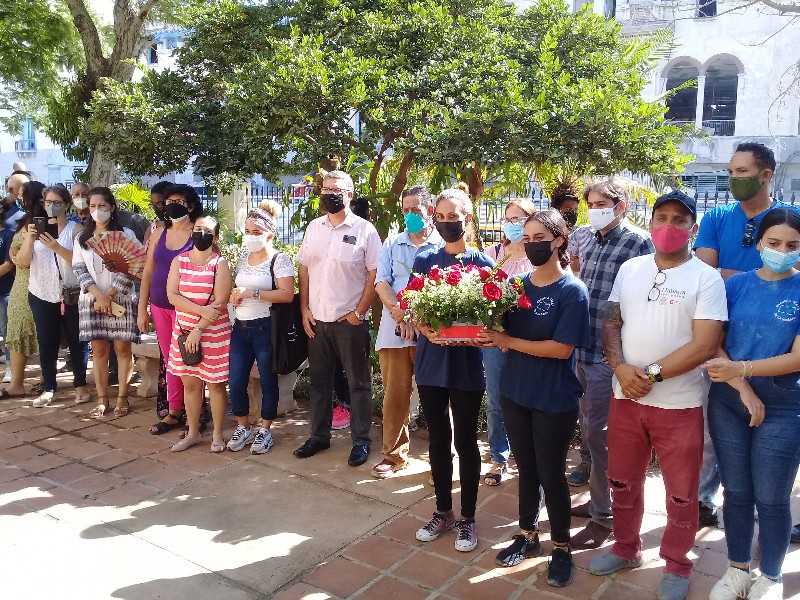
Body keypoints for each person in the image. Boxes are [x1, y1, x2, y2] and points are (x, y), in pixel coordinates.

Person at [588, 191, 727, 600]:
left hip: (679, 405)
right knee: (622, 482)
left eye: (679, 220)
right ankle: (626, 548)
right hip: (625, 397)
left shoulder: (706, 278)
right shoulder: (631, 268)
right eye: (661, 217)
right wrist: (619, 368)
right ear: (650, 224)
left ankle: (678, 563)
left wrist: (648, 373)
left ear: (693, 229)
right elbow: (611, 322)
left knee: (681, 492)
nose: (669, 226)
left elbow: (705, 344)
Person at [479, 209, 589, 586]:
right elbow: (498, 328)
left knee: (551, 474)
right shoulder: (517, 285)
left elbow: (562, 349)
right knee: (527, 471)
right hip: (516, 392)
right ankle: (528, 535)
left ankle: (561, 546)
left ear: (559, 240)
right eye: (527, 238)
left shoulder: (572, 291)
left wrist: (508, 341)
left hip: (553, 398)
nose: (532, 244)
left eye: (540, 238)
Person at [694, 141, 800, 530]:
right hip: (721, 338)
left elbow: (790, 278)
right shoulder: (717, 218)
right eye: (731, 172)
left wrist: (737, 277)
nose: (733, 179)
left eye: (742, 172)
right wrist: (756, 280)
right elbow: (705, 274)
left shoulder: (791, 218)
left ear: (766, 175)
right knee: (713, 433)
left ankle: (767, 511)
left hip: (779, 348)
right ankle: (706, 499)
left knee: (775, 444)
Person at [703, 209, 800, 600]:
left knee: (772, 497)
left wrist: (741, 368)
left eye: (792, 246)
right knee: (736, 491)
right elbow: (713, 340)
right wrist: (743, 385)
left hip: (783, 405)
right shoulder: (735, 285)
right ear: (759, 243)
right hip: (729, 401)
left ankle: (771, 577)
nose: (781, 251)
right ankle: (738, 569)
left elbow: (797, 357)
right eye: (773, 243)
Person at [570, 177, 654, 550]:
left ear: (621, 206)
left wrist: (617, 355)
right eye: (590, 203)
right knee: (589, 430)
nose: (594, 209)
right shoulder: (591, 239)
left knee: (602, 435)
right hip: (583, 350)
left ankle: (605, 516)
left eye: (601, 203)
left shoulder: (639, 242)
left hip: (608, 356)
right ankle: (599, 500)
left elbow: (644, 303)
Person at [411, 183, 495, 553]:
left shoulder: (482, 264)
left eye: (453, 218)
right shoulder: (425, 261)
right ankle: (443, 511)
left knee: (466, 440)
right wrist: (425, 326)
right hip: (431, 362)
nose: (446, 224)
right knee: (438, 440)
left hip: (465, 364)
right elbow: (413, 307)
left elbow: (494, 319)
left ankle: (468, 519)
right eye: (440, 218)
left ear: (468, 219)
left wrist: (479, 335)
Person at [294, 170, 381, 467]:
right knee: (319, 382)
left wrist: (359, 313)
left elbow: (375, 273)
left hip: (349, 323)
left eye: (337, 189)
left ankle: (361, 441)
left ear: (350, 195)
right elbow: (304, 268)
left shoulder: (365, 230)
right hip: (317, 321)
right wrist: (304, 308)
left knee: (358, 383)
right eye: (326, 188)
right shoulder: (314, 228)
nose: (330, 193)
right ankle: (318, 436)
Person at [371, 185, 443, 478]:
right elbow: (381, 282)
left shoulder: (441, 244)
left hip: (431, 331)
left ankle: (443, 455)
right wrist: (398, 312)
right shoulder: (391, 243)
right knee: (395, 395)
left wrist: (418, 317)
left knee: (438, 396)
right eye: (405, 210)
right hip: (395, 330)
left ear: (431, 211)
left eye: (416, 209)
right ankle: (393, 454)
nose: (410, 215)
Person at [226, 202, 294, 454]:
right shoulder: (244, 258)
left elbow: (287, 294)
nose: (250, 237)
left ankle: (265, 429)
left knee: (267, 379)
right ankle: (243, 427)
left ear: (269, 234)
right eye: (247, 231)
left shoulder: (279, 260)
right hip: (241, 326)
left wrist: (253, 293)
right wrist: (237, 296)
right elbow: (240, 288)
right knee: (236, 379)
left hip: (265, 327)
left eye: (256, 232)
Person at [481, 197, 536, 487]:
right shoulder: (492, 253)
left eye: (518, 219)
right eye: (508, 219)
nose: (512, 225)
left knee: (528, 399)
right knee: (496, 400)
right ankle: (499, 457)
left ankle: (527, 456)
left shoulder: (537, 256)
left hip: (528, 340)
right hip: (494, 341)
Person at [139, 184, 202, 435]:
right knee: (171, 360)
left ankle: (196, 414)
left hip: (187, 308)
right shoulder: (159, 233)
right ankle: (174, 411)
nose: (173, 205)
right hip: (159, 306)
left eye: (179, 201)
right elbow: (148, 272)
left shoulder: (199, 232)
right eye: (169, 201)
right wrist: (142, 309)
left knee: (190, 361)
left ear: (191, 205)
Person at [18, 184, 89, 406]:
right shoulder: (32, 229)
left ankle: (80, 385)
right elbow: (22, 262)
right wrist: (30, 239)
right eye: (48, 202)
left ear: (67, 205)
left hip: (71, 293)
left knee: (78, 340)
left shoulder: (75, 230)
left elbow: (81, 262)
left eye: (57, 202)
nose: (51, 206)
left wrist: (57, 247)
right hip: (40, 292)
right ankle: (49, 386)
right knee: (46, 341)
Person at [72, 187, 141, 418]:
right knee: (99, 350)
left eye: (102, 206)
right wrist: (97, 295)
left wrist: (109, 293)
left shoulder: (127, 234)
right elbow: (79, 268)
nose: (97, 211)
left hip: (120, 297)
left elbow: (133, 264)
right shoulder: (82, 237)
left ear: (112, 207)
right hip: (91, 299)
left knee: (122, 349)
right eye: (92, 206)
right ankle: (102, 399)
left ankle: (122, 397)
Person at [166, 216, 233, 452]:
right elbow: (172, 295)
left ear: (214, 237)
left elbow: (220, 302)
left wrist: (199, 328)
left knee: (215, 385)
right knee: (190, 384)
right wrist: (197, 313)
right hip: (184, 332)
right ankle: (193, 432)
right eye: (197, 229)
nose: (200, 233)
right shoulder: (179, 261)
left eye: (206, 231)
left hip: (213, 333)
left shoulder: (219, 264)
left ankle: (217, 434)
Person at [3, 182, 39, 398]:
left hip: (37, 282)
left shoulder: (39, 223)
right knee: (16, 328)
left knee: (41, 331)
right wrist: (15, 250)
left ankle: (45, 380)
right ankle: (16, 383)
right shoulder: (22, 221)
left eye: (21, 194)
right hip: (20, 284)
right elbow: (14, 252)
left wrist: (21, 248)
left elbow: (23, 260)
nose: (17, 196)